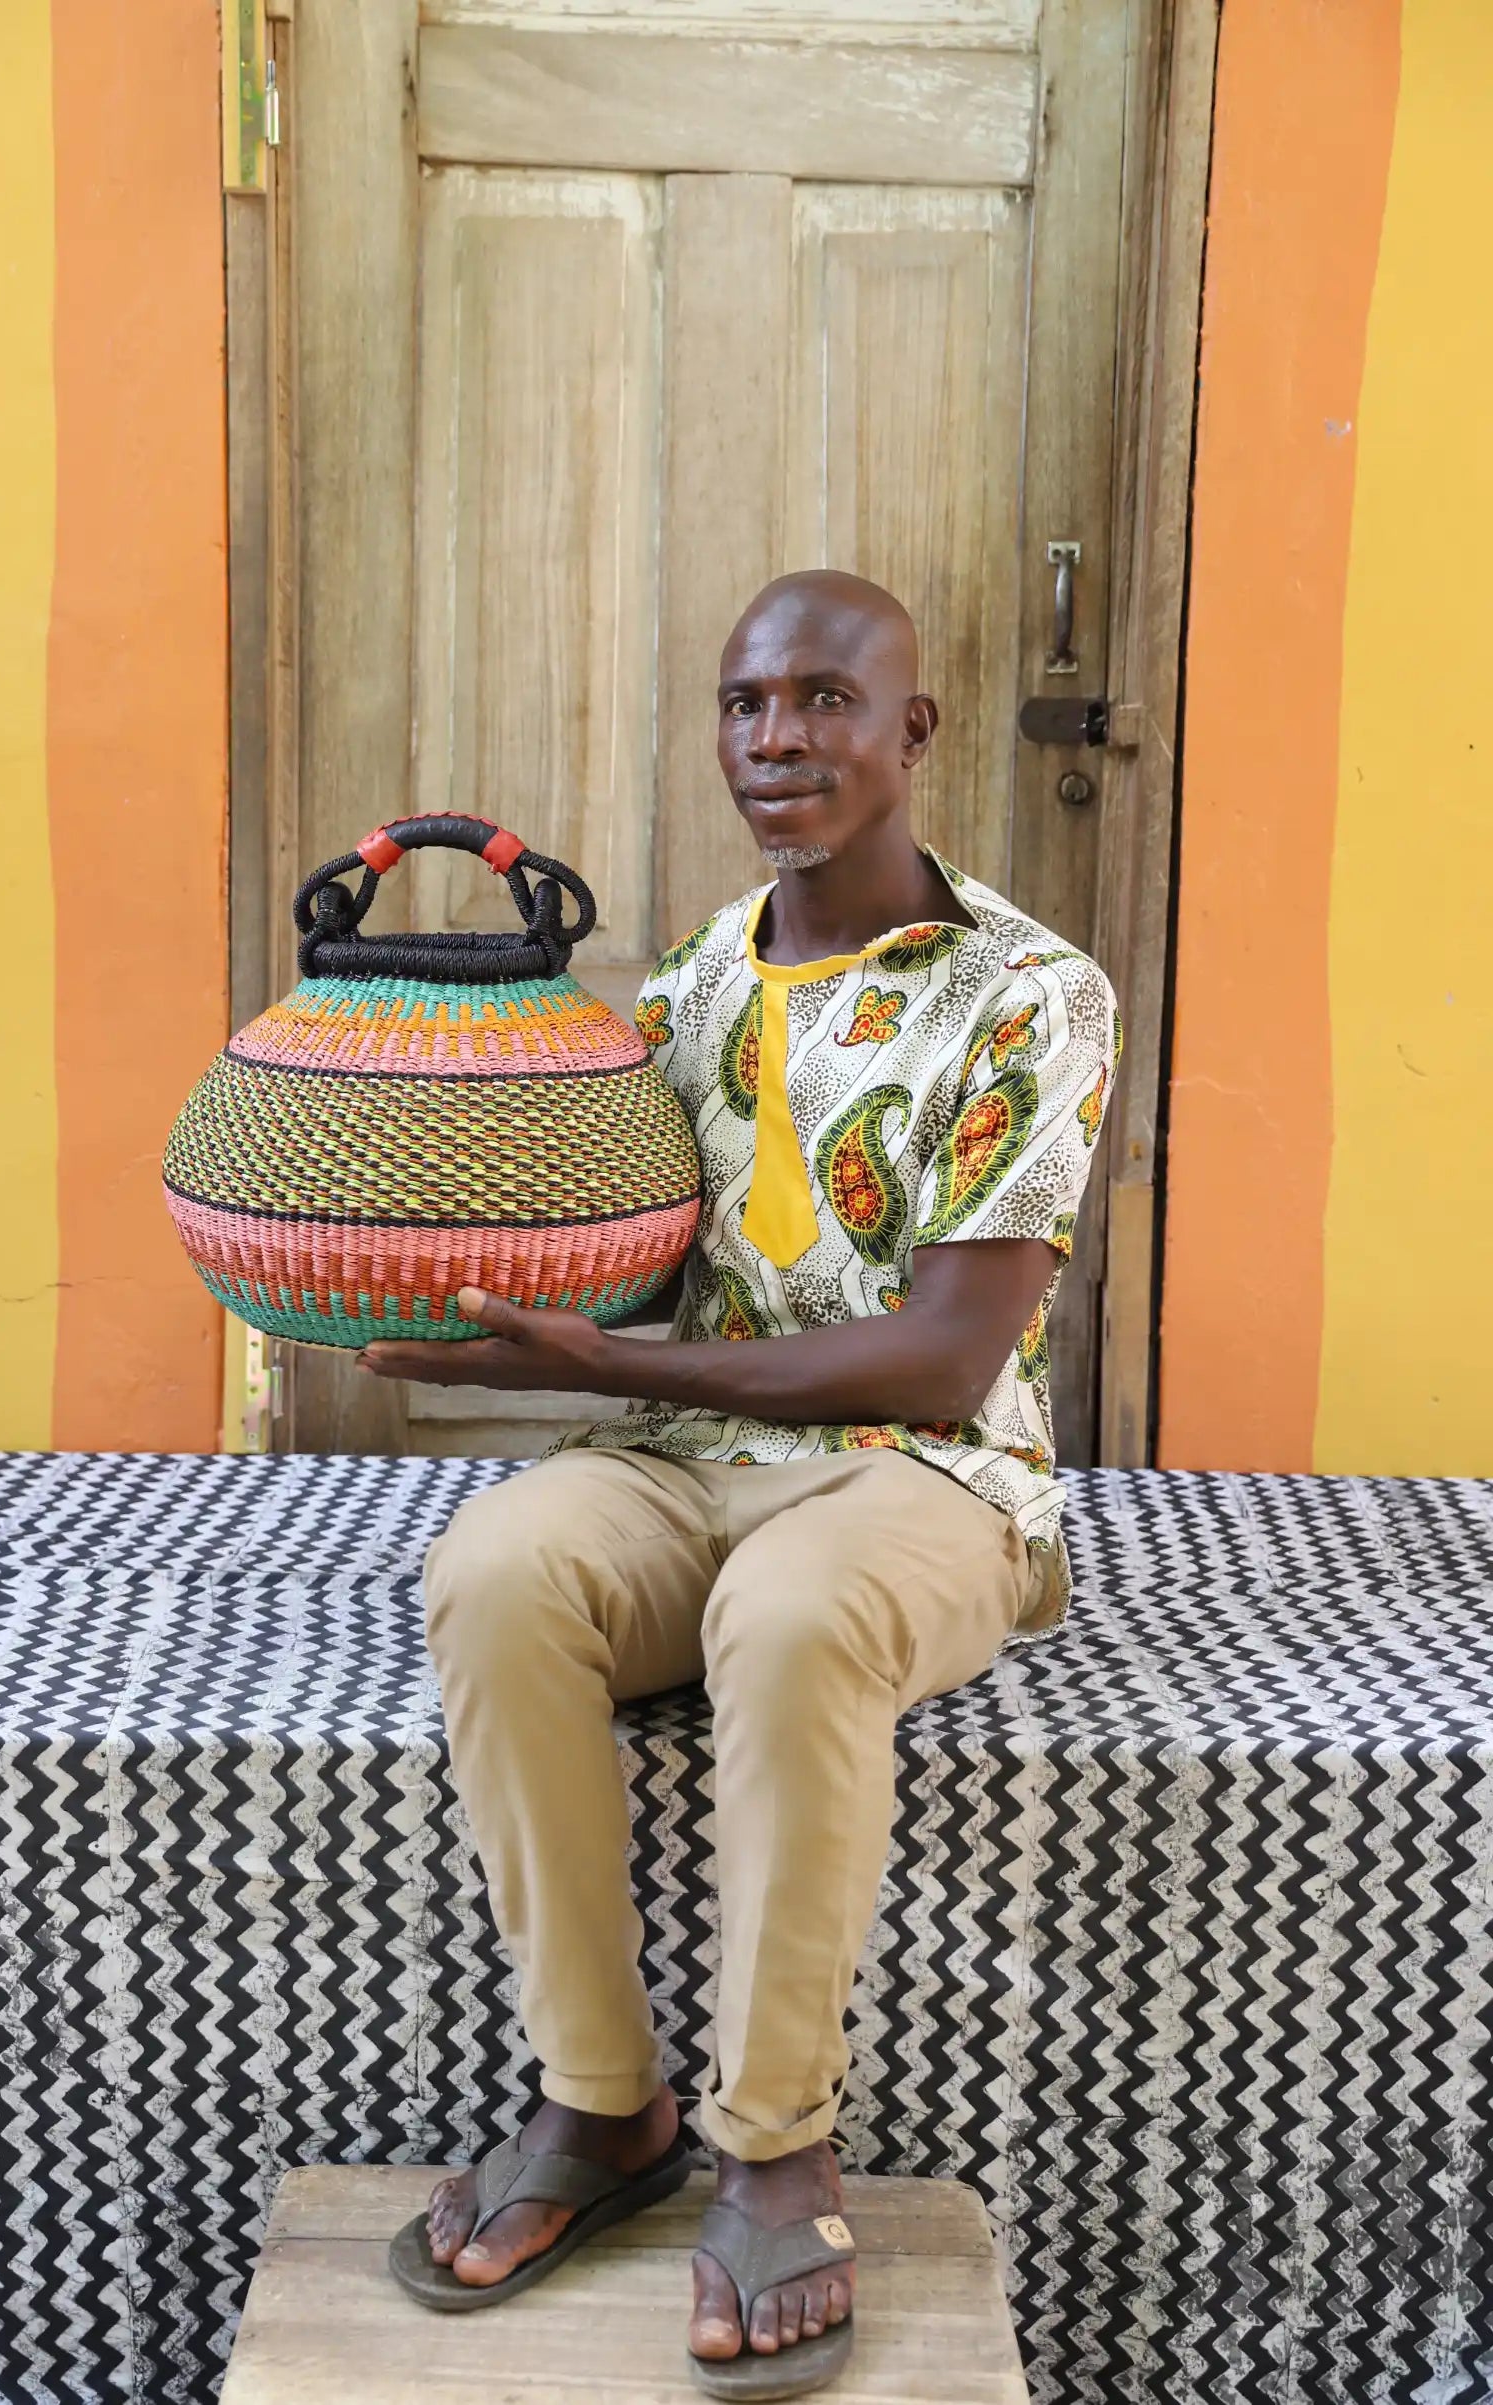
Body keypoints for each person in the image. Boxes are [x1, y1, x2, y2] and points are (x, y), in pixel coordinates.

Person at [357, 569, 1119, 2399]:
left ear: (912, 730)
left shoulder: (1031, 994)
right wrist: (439, 1263)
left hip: (929, 1481)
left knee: (790, 1617)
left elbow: (941, 1359)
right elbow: (625, 1259)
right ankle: (600, 2105)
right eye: (744, 703)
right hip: (688, 1457)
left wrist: (605, 1368)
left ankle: (775, 2139)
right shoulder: (696, 976)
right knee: (495, 1570)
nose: (777, 739)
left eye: (824, 701)